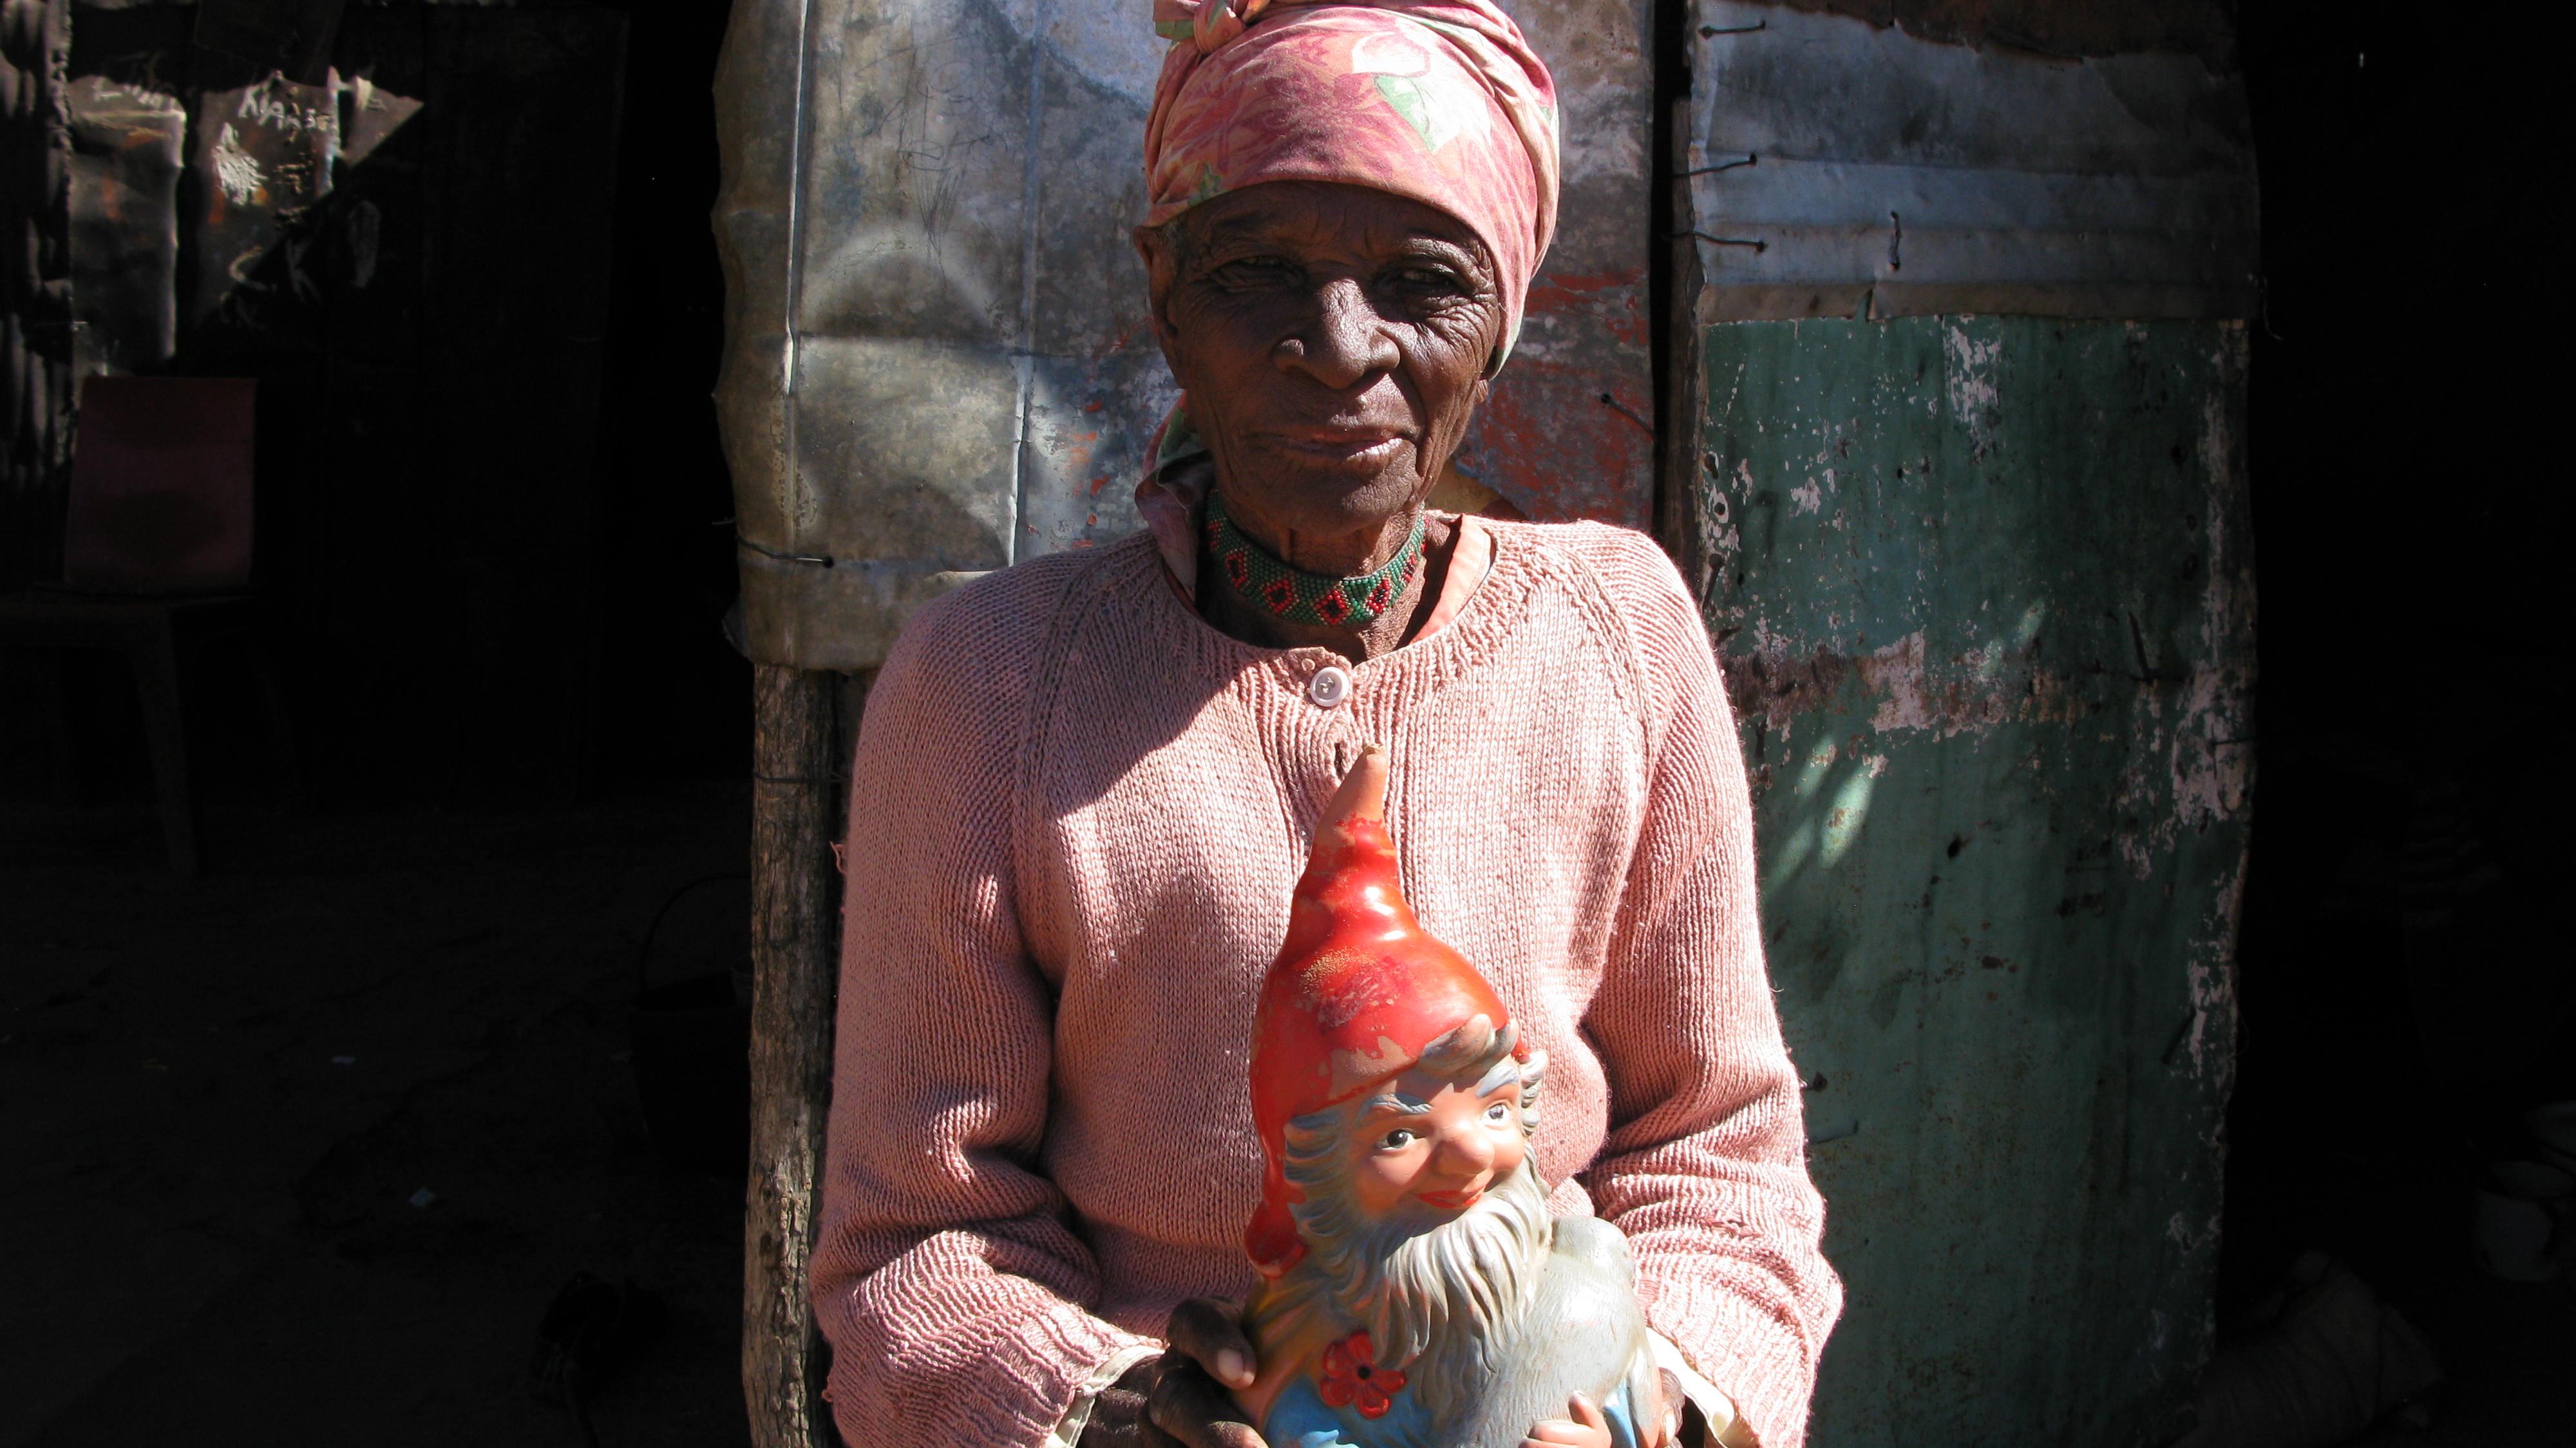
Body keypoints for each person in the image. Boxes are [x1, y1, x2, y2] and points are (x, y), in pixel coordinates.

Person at [809, 1, 1842, 1444]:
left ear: (1501, 326)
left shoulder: (1619, 634)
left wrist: (1655, 1401)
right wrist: (1101, 1409)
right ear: (1163, 291)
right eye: (1255, 275)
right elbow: (917, 1230)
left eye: (1422, 283)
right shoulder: (987, 683)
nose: (1335, 346)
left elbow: (1716, 1148)